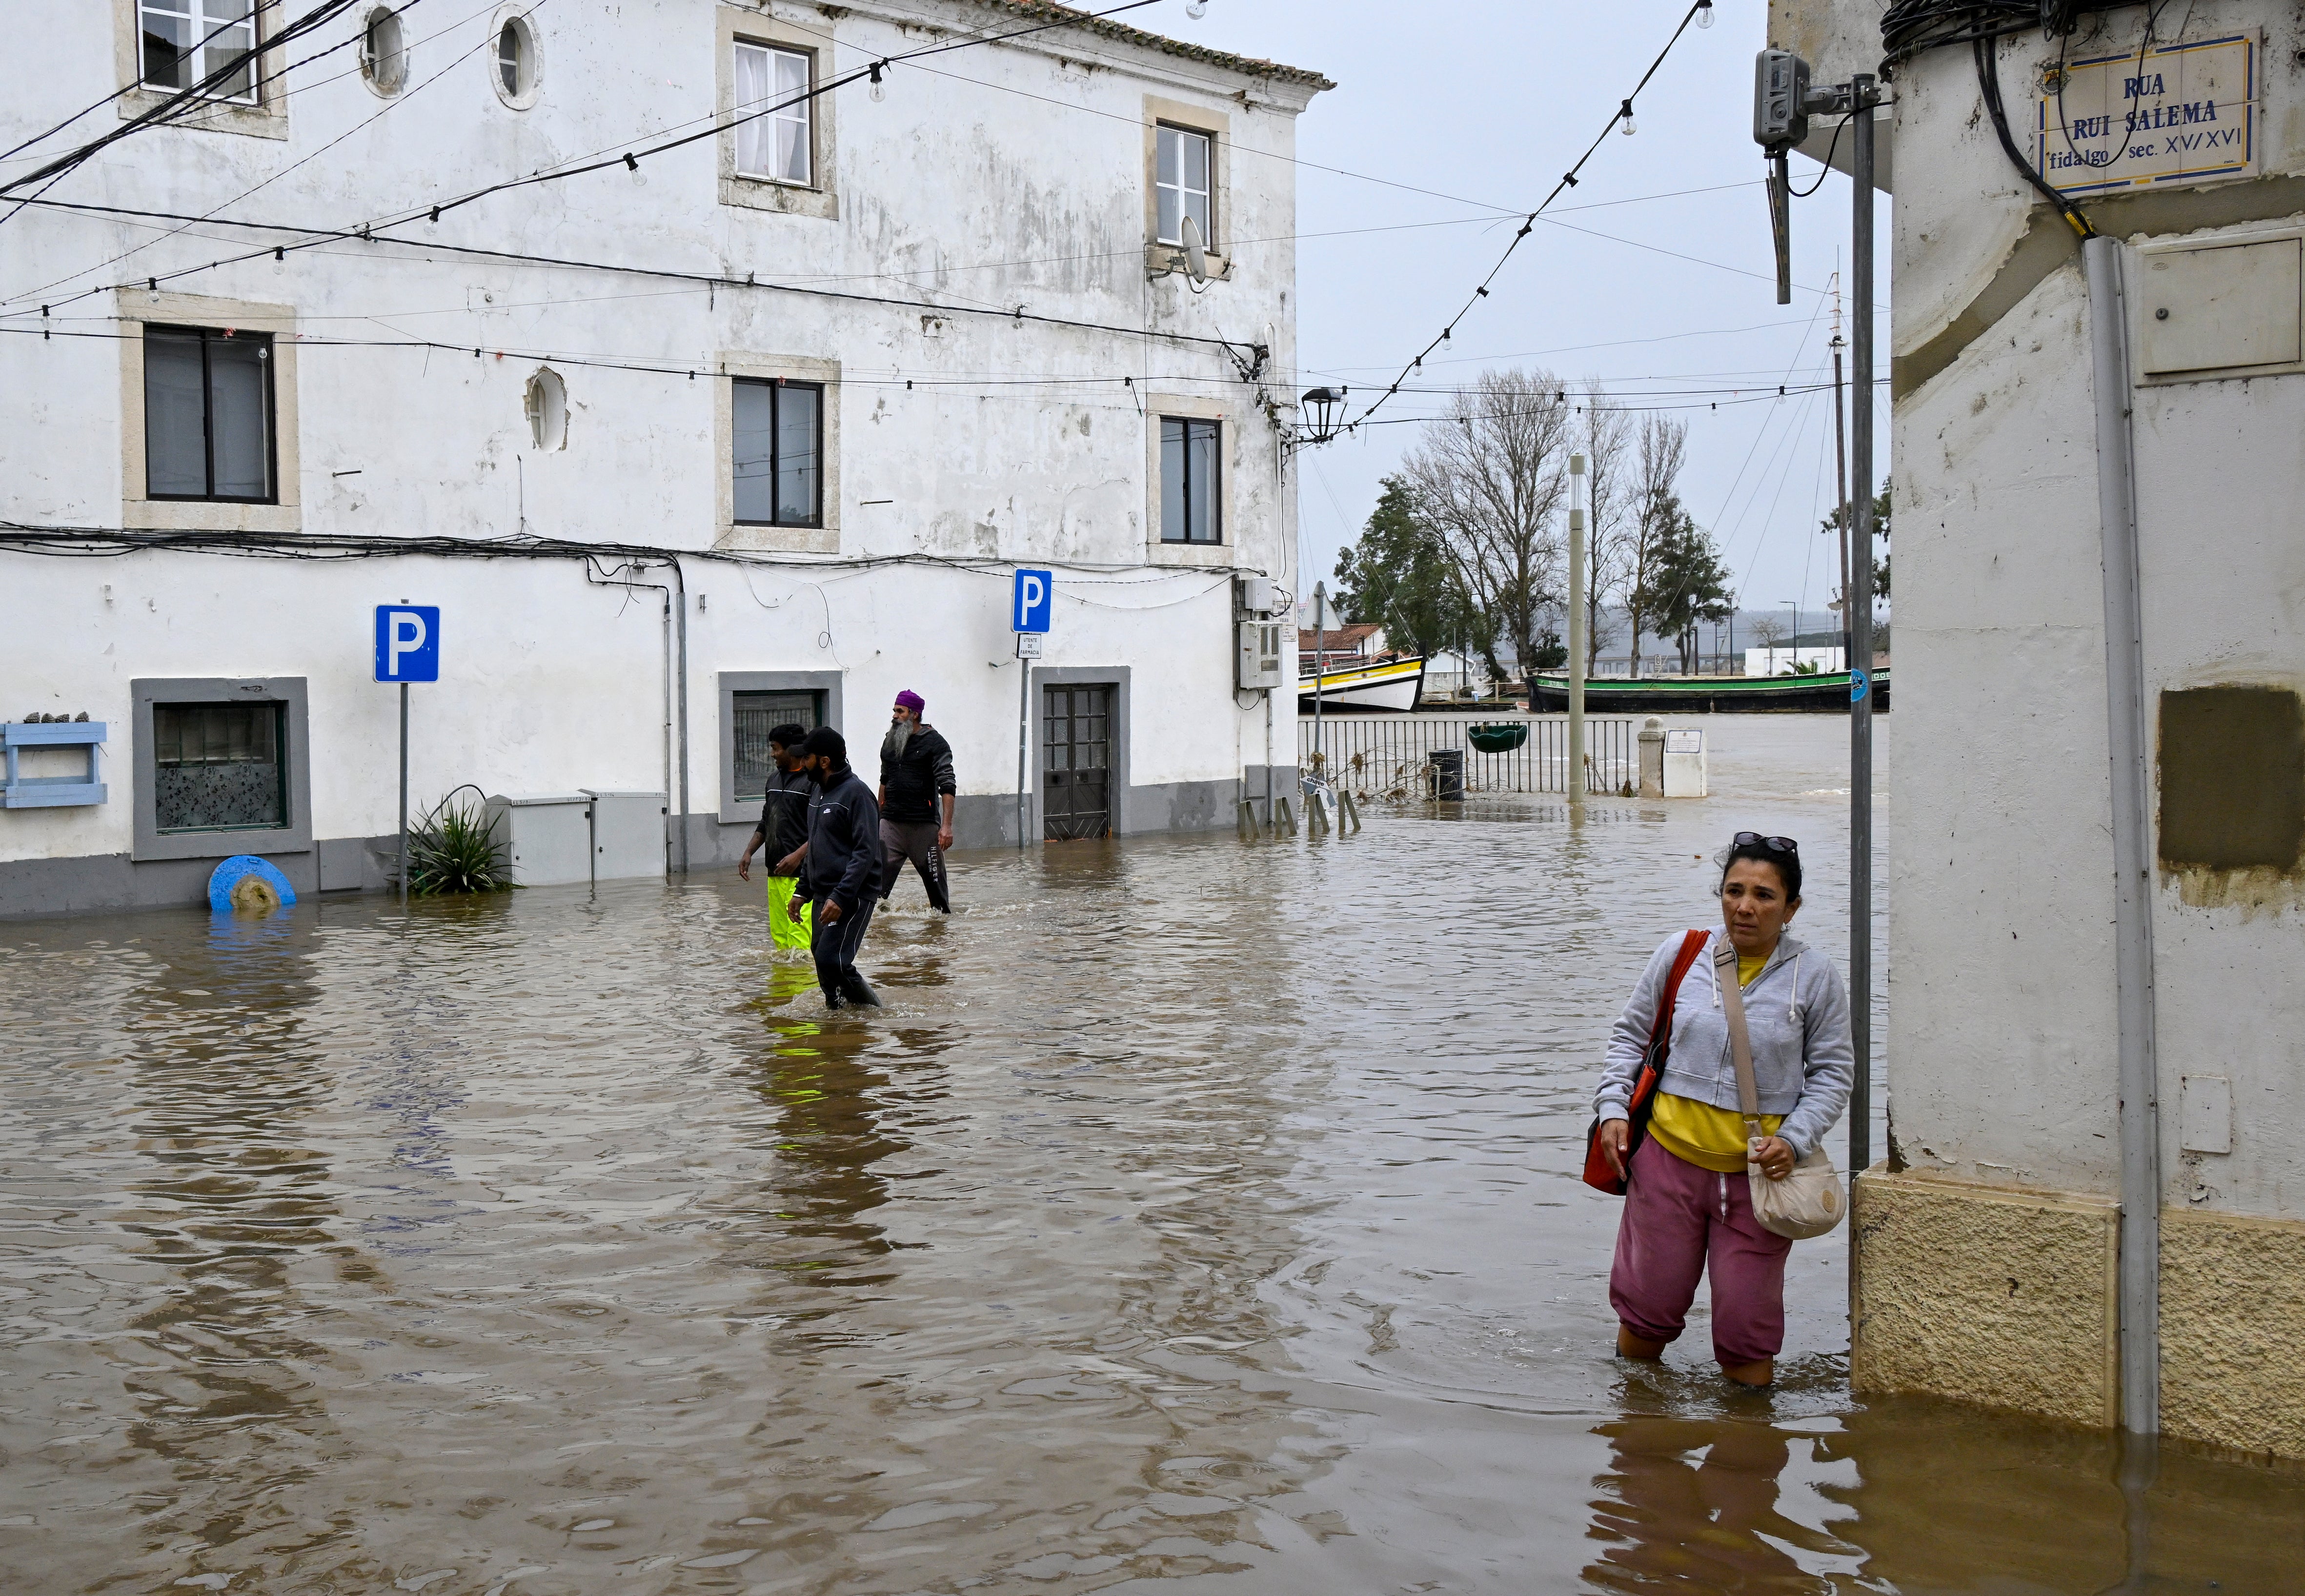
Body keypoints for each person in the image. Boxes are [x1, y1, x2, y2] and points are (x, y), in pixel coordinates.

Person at [1592, 832, 1853, 1388]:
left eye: (1763, 894)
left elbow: (1832, 1073)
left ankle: (1747, 1452)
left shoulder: (1815, 977)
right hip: (1665, 1167)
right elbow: (1628, 1038)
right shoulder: (1681, 953)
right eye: (1733, 890)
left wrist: (1795, 1139)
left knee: (1745, 1334)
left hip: (1757, 1179)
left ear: (1791, 907)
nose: (1745, 906)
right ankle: (1637, 1431)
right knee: (1645, 1312)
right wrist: (1613, 1107)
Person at [790, 726, 884, 1009]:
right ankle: (837, 1017)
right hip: (823, 893)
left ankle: (874, 1014)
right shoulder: (818, 793)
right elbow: (816, 845)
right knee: (821, 957)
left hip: (853, 894)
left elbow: (865, 852)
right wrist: (802, 891)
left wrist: (841, 897)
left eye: (806, 758)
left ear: (824, 761)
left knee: (836, 960)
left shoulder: (857, 794)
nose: (801, 764)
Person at [736, 722, 814, 952]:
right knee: (781, 942)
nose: (772, 754)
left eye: (776, 748)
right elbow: (766, 821)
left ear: (792, 750)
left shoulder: (813, 782)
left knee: (801, 942)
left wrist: (798, 857)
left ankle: (807, 988)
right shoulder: (773, 780)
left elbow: (823, 829)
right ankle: (783, 988)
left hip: (803, 876)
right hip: (775, 872)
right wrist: (749, 852)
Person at [877, 689, 956, 913]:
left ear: (915, 714)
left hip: (923, 826)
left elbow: (947, 785)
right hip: (891, 823)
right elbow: (884, 778)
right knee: (874, 890)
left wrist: (946, 827)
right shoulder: (889, 741)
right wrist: (878, 816)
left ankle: (941, 940)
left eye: (900, 711)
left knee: (938, 903)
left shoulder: (935, 743)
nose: (894, 715)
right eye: (894, 710)